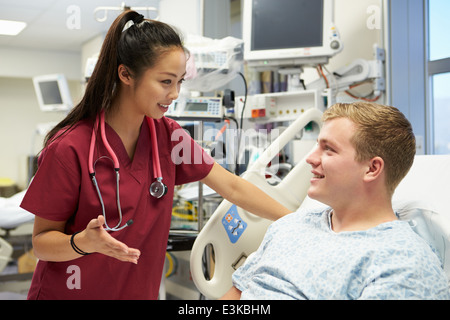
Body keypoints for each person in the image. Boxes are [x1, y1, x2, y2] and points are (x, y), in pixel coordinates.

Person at [20, 10, 290, 300]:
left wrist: (296, 221)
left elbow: (233, 187)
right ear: (125, 74)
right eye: (165, 81)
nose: (174, 94)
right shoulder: (69, 147)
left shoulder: (169, 137)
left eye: (180, 82)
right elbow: (41, 243)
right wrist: (84, 242)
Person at [222, 102, 450, 300]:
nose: (310, 159)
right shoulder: (288, 227)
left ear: (372, 169)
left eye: (328, 149)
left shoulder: (404, 263)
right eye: (317, 146)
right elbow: (237, 292)